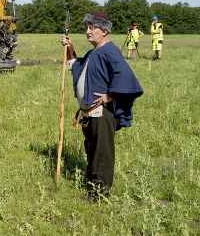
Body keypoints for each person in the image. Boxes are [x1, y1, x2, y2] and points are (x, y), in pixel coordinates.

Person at [61, 12, 143, 200]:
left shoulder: (110, 51)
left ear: (104, 30)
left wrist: (110, 95)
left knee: (102, 152)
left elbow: (127, 78)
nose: (87, 31)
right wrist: (69, 48)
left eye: (92, 27)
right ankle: (92, 184)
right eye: (86, 28)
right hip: (88, 113)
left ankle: (100, 193)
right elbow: (76, 66)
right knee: (92, 148)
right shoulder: (94, 52)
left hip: (102, 114)